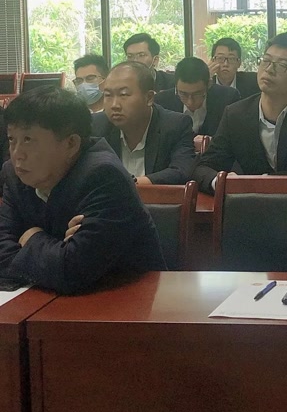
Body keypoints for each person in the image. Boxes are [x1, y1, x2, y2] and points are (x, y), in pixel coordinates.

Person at [0, 86, 164, 295]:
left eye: (28, 140)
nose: (17, 154)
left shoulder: (103, 176)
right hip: (48, 299)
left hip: (127, 302)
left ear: (71, 144)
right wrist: (58, 248)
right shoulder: (15, 175)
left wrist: (33, 237)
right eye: (12, 139)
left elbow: (72, 271)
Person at [194, 32, 287, 194]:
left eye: (282, 65)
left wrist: (265, 182)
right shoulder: (236, 114)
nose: (269, 69)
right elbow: (204, 167)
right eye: (266, 60)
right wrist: (221, 181)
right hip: (250, 204)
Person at [92, 62, 195, 185]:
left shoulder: (175, 125)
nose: (114, 105)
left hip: (155, 197)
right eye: (108, 95)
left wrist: (131, 185)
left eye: (123, 94)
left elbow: (181, 171)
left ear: (149, 98)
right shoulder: (96, 125)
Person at [155, 56, 240, 149]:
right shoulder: (162, 102)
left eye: (197, 94)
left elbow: (234, 140)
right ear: (176, 86)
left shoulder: (228, 98)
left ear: (209, 84)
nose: (190, 102)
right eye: (183, 94)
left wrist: (209, 142)